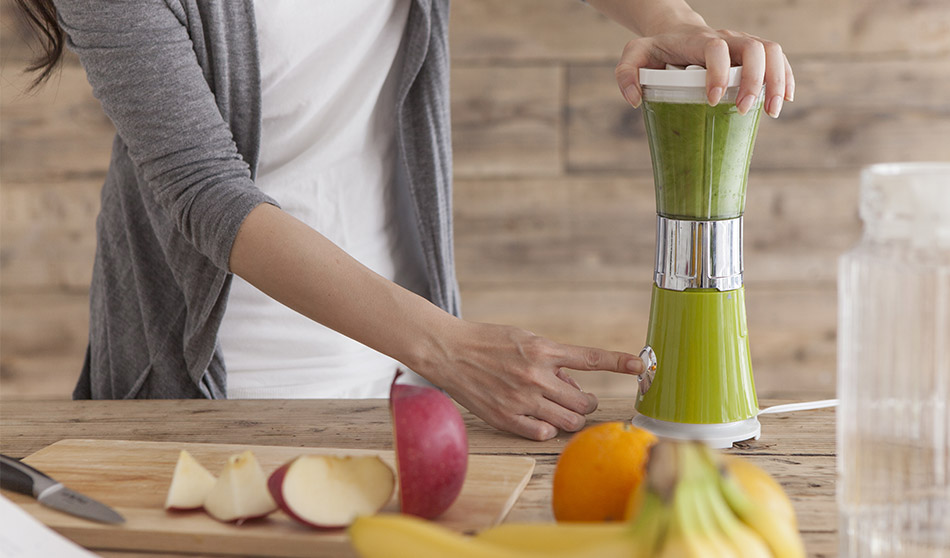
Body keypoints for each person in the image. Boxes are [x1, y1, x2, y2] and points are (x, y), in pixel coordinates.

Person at [14, 0, 793, 441]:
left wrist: (674, 20)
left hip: (405, 380)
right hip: (207, 395)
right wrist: (449, 348)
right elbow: (201, 189)